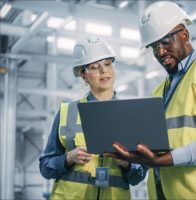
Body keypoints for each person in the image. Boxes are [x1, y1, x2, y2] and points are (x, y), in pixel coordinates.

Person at [109, 1, 196, 199]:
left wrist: (162, 160)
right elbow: (154, 155)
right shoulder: (157, 92)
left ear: (184, 35)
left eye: (165, 42)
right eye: (154, 46)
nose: (160, 52)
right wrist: (132, 163)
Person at [39, 37, 146, 200]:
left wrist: (127, 164)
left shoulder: (131, 115)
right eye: (95, 67)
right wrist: (68, 158)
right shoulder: (67, 112)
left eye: (108, 64)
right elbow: (45, 168)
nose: (104, 71)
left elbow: (138, 177)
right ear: (83, 75)